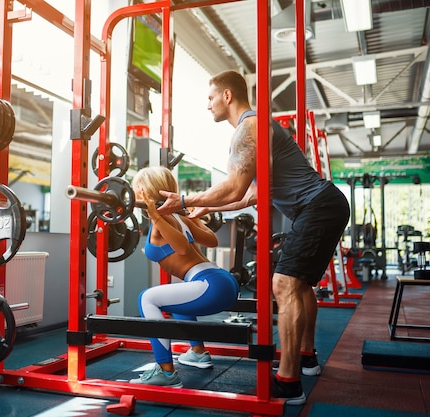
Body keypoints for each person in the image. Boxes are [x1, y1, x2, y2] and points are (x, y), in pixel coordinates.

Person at [157, 70, 350, 404]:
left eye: (210, 97)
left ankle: (288, 382)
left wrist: (186, 200)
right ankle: (306, 358)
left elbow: (234, 186)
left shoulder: (248, 127)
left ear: (227, 95)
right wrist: (203, 209)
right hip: (323, 205)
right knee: (299, 284)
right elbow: (249, 196)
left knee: (284, 284)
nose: (208, 105)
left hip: (318, 205)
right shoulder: (257, 128)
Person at [129, 165, 240, 388]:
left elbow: (180, 247)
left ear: (143, 192)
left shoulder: (161, 219)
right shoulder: (182, 217)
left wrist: (156, 218)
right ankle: (198, 352)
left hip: (209, 285)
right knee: (176, 298)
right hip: (223, 281)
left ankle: (166, 372)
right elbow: (212, 241)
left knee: (146, 298)